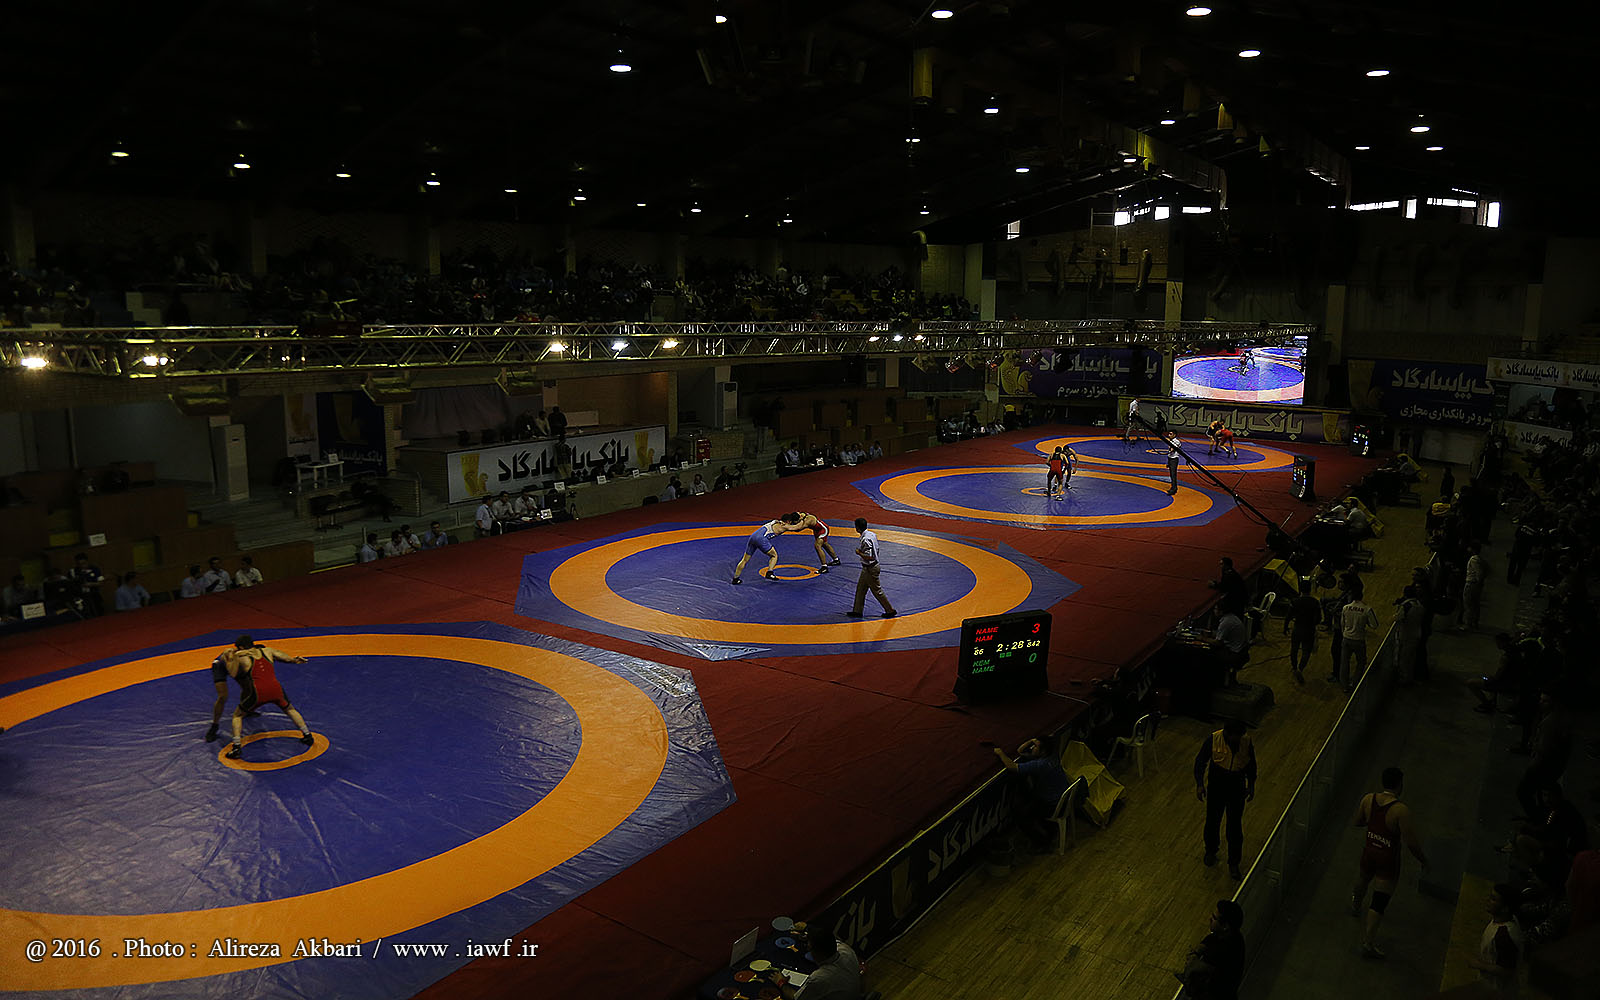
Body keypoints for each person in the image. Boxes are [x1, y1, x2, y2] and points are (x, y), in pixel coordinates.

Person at [1351, 766, 1429, 959]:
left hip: (1369, 851)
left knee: (1362, 878)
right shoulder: (1400, 810)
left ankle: (1355, 905)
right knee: (1379, 900)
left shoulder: (1368, 799)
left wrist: (1373, 826)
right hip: (1387, 858)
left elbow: (1357, 821)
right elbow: (1411, 843)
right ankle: (1367, 943)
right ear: (1400, 785)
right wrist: (1423, 860)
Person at [222, 635, 316, 760]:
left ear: (241, 647)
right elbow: (285, 658)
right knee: (290, 709)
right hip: (276, 689)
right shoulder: (267, 651)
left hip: (259, 691)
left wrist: (230, 659)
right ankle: (307, 735)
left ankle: (236, 748)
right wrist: (294, 660)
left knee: (237, 716)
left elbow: (233, 673)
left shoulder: (241, 657)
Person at [1194, 719, 1256, 880]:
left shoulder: (1246, 741)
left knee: (1234, 827)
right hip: (1217, 787)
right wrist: (1200, 784)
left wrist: (1251, 785)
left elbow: (1251, 765)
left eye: (1240, 736)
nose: (1238, 739)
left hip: (1237, 788)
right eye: (1236, 736)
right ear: (1226, 733)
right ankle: (1211, 851)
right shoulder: (1213, 739)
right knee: (1212, 821)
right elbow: (1200, 761)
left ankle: (1234, 863)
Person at [993, 737, 1073, 847]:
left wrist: (1000, 753)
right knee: (1028, 794)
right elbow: (1020, 751)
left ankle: (1041, 842)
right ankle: (1047, 828)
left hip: (1052, 805)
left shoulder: (1040, 765)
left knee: (1019, 814)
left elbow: (1012, 767)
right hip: (1063, 800)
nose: (1032, 748)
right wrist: (1032, 741)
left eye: (1035, 746)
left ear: (1043, 751)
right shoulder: (1053, 757)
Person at [764, 924, 862, 1000]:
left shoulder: (819, 978)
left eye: (810, 948)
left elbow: (796, 998)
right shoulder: (846, 950)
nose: (807, 948)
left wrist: (781, 983)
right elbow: (827, 939)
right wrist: (809, 936)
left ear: (818, 953)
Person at [1175, 899, 1245, 1000]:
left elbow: (1211, 978)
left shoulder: (1222, 954)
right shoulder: (1233, 936)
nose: (1210, 919)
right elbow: (1210, 939)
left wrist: (1194, 968)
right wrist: (1197, 952)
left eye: (1214, 918)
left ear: (1225, 926)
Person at [1465, 884, 1523, 996]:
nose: (1487, 900)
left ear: (1505, 908)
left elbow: (1507, 971)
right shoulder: (1504, 920)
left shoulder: (1504, 935)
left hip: (1497, 990)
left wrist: (1478, 964)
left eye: (1493, 899)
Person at [1333, 582, 1379, 694]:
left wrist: (1345, 633)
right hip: (1359, 640)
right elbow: (1374, 625)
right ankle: (1355, 683)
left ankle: (1344, 685)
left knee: (1344, 662)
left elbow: (1342, 623)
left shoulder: (1345, 608)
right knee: (1361, 661)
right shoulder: (1367, 609)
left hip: (1346, 638)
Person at [846, 517, 896, 619]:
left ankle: (890, 610)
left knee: (877, 591)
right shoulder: (871, 534)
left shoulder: (865, 539)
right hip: (868, 568)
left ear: (857, 528)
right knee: (860, 589)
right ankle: (857, 611)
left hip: (870, 568)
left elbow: (870, 556)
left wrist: (859, 553)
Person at [732, 514, 800, 584]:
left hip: (753, 536)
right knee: (774, 556)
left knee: (744, 560)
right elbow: (797, 528)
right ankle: (769, 573)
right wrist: (804, 519)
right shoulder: (785, 526)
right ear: (788, 521)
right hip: (761, 539)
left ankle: (735, 578)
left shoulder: (775, 521)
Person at [1284, 578, 1320, 685]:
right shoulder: (1315, 602)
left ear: (1300, 589)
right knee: (1306, 651)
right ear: (1310, 589)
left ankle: (1294, 667)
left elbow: (1288, 616)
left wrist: (1285, 627)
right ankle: (1300, 668)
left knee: (1294, 649)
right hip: (1309, 629)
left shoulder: (1295, 601)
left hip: (1297, 628)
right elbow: (1318, 619)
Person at [1460, 545, 1485, 629]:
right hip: (1475, 585)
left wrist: (1478, 582)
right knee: (1475, 604)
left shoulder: (1474, 560)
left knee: (1468, 604)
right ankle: (1474, 623)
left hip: (1471, 584)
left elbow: (1479, 574)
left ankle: (1468, 624)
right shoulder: (1480, 559)